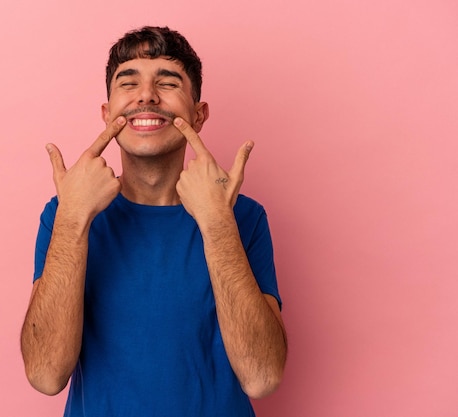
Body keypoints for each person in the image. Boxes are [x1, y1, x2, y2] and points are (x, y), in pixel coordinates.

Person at [20, 26, 287, 417]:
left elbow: (262, 378)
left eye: (168, 82)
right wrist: (73, 218)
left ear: (198, 115)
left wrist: (216, 222)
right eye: (128, 83)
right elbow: (45, 375)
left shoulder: (242, 216)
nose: (146, 95)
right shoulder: (65, 215)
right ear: (107, 114)